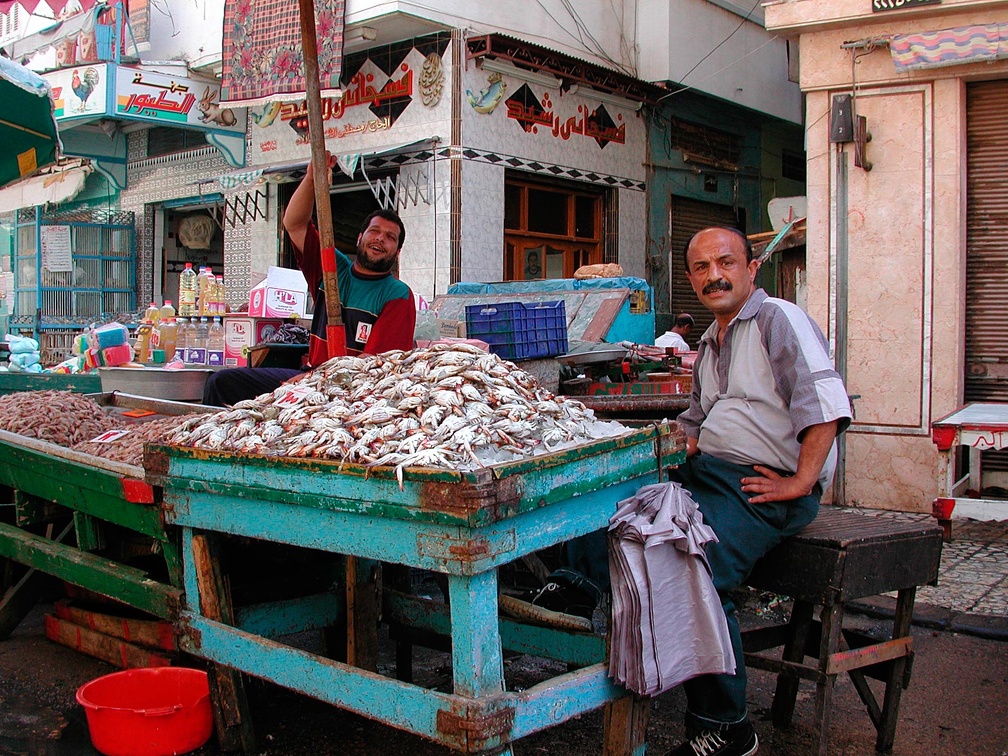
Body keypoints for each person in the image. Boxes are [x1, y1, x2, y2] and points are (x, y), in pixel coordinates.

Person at [664, 226, 852, 756]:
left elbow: (825, 408)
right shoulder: (709, 341)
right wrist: (653, 454)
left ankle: (726, 726)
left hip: (762, 485)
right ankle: (580, 595)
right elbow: (696, 426)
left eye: (725, 262)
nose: (713, 276)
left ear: (752, 269)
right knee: (624, 517)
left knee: (697, 569)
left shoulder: (777, 319)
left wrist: (801, 480)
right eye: (701, 268)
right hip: (713, 476)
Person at [203, 153, 416, 406]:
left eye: (390, 237)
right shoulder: (331, 268)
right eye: (375, 231)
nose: (381, 239)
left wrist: (314, 381)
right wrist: (312, 179)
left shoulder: (397, 295)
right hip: (310, 376)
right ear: (360, 238)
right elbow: (294, 224)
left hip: (352, 395)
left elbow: (374, 368)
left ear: (398, 252)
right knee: (221, 383)